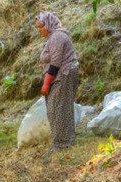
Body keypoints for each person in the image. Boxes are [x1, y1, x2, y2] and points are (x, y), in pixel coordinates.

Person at [36, 12, 79, 151]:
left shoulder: (57, 37)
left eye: (41, 27)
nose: (39, 30)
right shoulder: (53, 37)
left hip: (64, 75)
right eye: (37, 27)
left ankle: (62, 143)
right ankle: (64, 140)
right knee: (57, 108)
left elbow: (55, 63)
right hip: (60, 76)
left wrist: (46, 83)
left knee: (58, 109)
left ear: (48, 24)